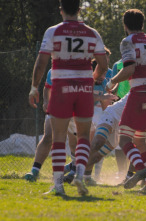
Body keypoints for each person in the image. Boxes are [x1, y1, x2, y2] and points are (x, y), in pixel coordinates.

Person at [28, 0, 108, 195]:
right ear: (79, 10)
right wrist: (92, 79)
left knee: (59, 138)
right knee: (82, 136)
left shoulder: (53, 31)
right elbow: (104, 64)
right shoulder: (92, 33)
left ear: (61, 9)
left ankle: (58, 185)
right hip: (83, 89)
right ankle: (79, 176)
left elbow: (41, 62)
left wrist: (34, 87)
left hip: (62, 87)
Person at [105, 9, 146, 193]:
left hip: (139, 94)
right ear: (142, 24)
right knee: (141, 141)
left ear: (125, 26)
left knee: (124, 139)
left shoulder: (128, 42)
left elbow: (129, 69)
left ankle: (140, 169)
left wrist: (111, 82)